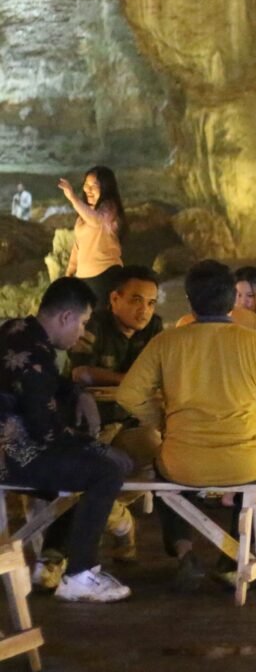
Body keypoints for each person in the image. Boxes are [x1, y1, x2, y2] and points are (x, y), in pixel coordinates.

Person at [116, 260, 256, 589]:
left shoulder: (167, 342)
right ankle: (233, 558)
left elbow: (129, 395)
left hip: (182, 462)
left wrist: (161, 418)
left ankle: (185, 553)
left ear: (190, 300)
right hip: (245, 463)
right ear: (231, 301)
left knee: (162, 475)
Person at [0, 278, 131, 602]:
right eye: (83, 323)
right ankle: (79, 574)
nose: (82, 332)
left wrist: (77, 393)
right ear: (65, 318)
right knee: (107, 468)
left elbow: (51, 386)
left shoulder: (17, 331)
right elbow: (44, 430)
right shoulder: (33, 356)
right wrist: (89, 442)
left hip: (15, 445)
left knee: (105, 460)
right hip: (14, 453)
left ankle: (59, 558)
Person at [69, 265, 165, 560]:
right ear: (114, 299)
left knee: (160, 452)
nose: (144, 310)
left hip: (129, 424)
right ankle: (117, 522)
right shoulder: (92, 326)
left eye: (150, 302)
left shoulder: (154, 329)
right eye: (136, 300)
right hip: (88, 428)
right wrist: (130, 380)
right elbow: (79, 373)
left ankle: (113, 513)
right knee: (78, 480)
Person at [59, 166, 126, 309]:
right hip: (84, 277)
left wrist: (72, 197)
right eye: (86, 185)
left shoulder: (110, 208)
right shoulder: (85, 214)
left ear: (106, 187)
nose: (88, 189)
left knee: (102, 321)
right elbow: (79, 244)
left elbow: (96, 221)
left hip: (105, 274)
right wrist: (70, 270)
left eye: (94, 186)